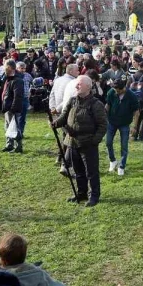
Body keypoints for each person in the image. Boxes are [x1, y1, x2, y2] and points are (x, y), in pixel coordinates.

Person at [53, 76, 107, 206]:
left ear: (88, 87)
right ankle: (81, 193)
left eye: (79, 84)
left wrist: (95, 140)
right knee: (78, 171)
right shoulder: (72, 101)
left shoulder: (96, 104)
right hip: (72, 142)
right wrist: (55, 123)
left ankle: (94, 195)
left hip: (88, 143)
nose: (76, 86)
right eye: (76, 84)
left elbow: (103, 125)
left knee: (91, 172)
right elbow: (63, 117)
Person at [104, 78, 140, 177]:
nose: (116, 92)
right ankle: (112, 161)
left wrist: (134, 126)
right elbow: (108, 105)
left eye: (118, 90)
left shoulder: (132, 96)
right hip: (111, 122)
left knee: (124, 146)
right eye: (115, 90)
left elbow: (136, 112)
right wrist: (103, 115)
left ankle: (122, 166)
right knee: (108, 142)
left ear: (123, 88)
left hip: (124, 123)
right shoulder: (111, 92)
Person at [1, 59, 25, 154]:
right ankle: (9, 145)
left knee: (15, 127)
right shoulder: (8, 78)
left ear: (10, 67)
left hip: (12, 108)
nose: (4, 68)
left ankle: (18, 146)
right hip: (8, 107)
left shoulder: (17, 80)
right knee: (8, 127)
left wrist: (13, 109)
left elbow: (17, 96)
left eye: (5, 66)